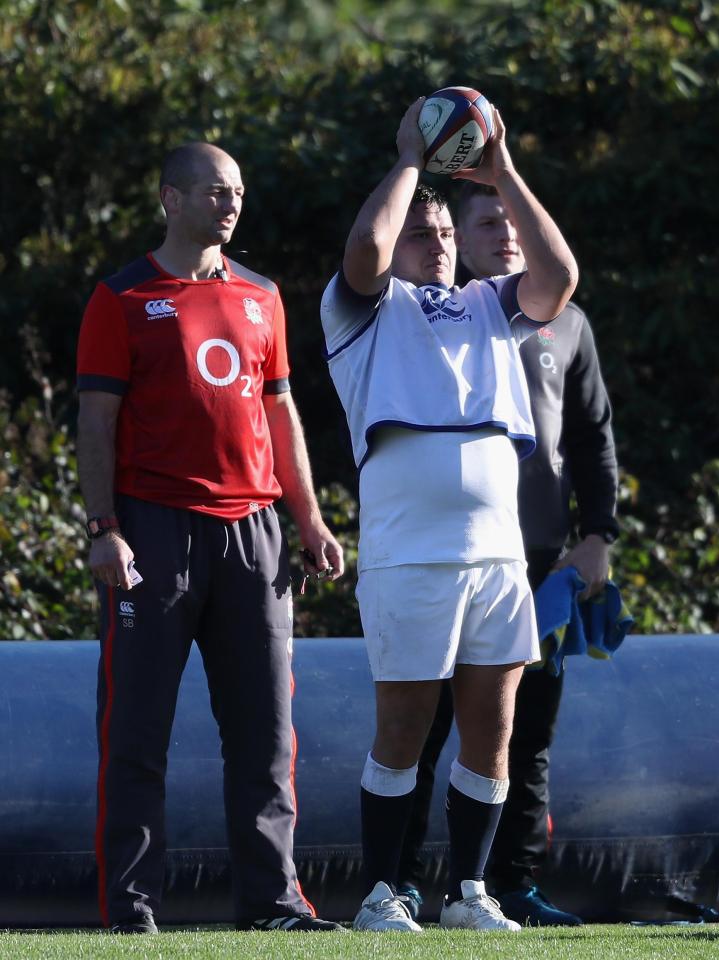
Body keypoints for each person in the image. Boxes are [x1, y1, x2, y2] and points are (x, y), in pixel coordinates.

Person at [320, 98, 579, 932]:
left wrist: (499, 168)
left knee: (492, 730)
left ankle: (469, 892)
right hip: (409, 554)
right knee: (403, 725)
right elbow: (364, 251)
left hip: (496, 555)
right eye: (419, 234)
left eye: (443, 232)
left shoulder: (488, 304)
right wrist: (407, 160)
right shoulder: (362, 310)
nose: (435, 244)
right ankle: (379, 893)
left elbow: (560, 279)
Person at [76, 142, 345, 934]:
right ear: (170, 198)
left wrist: (310, 518)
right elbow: (97, 419)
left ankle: (274, 906)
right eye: (213, 191)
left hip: (253, 534)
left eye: (237, 191)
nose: (229, 205)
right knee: (136, 731)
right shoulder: (121, 297)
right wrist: (104, 528)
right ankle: (130, 912)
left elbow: (280, 412)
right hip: (153, 530)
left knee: (266, 733)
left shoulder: (262, 295)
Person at [396, 182, 619, 927]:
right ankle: (397, 884)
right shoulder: (447, 319)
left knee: (526, 734)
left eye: (515, 216)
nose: (509, 230)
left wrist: (597, 538)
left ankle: (507, 884)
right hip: (446, 555)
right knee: (423, 727)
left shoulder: (569, 324)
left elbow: (590, 439)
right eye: (488, 220)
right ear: (456, 239)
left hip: (541, 564)